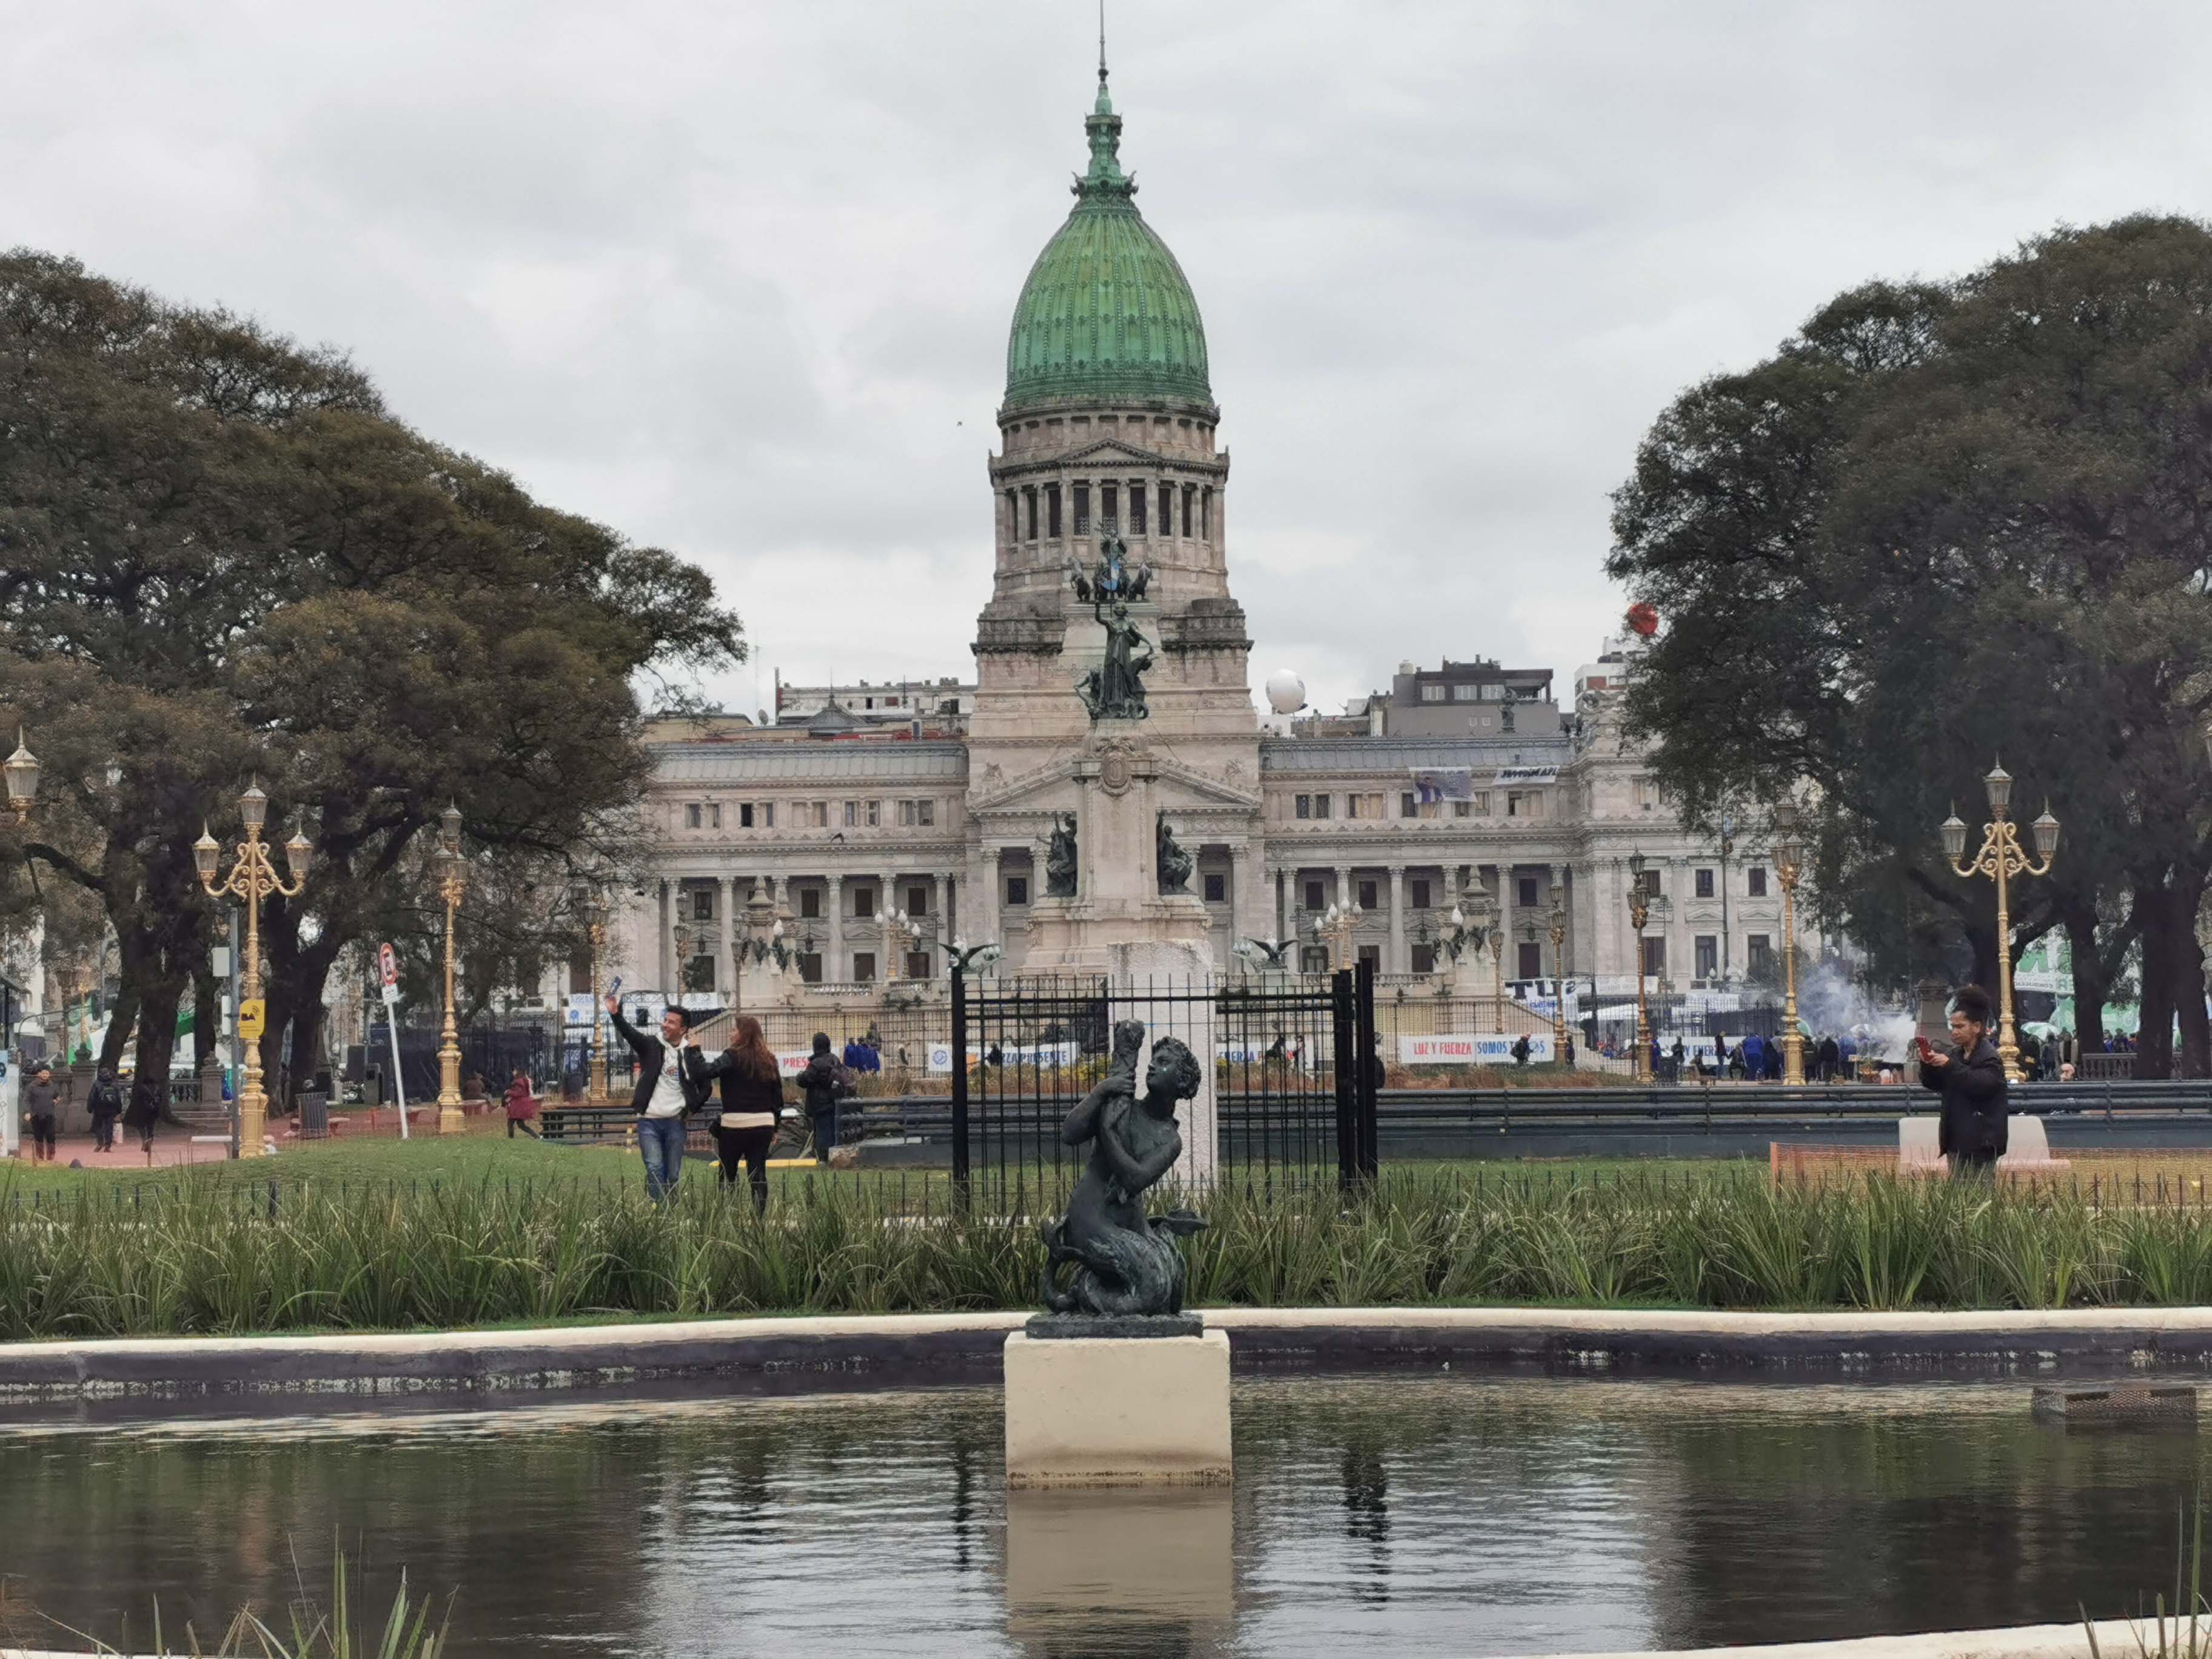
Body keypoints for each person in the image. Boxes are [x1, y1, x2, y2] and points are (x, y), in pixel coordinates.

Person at [605, 994, 709, 1202]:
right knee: (654, 1167)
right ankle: (657, 1212)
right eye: (666, 1020)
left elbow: (705, 1087)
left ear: (683, 1029)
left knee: (672, 1174)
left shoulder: (690, 1054)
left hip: (675, 1122)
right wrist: (615, 1014)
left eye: (672, 1022)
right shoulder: (651, 1045)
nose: (665, 1025)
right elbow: (630, 1034)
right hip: (649, 1120)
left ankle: (669, 1211)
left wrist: (690, 1110)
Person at [1919, 983, 2006, 1179]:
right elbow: (1935, 1084)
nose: (1954, 1032)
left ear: (1976, 1027)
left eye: (1960, 1026)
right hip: (1957, 1141)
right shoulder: (1955, 1055)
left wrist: (1950, 1066)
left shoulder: (1990, 1057)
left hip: (1982, 1143)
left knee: (1980, 1201)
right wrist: (1927, 1065)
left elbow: (1982, 1086)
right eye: (1953, 1027)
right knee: (1958, 1200)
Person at [702, 1015, 786, 1212]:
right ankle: (759, 1216)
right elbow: (778, 1098)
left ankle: (729, 1212)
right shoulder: (769, 1060)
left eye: (734, 1030)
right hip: (763, 1124)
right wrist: (774, 1125)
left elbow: (709, 1071)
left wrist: (696, 1051)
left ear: (743, 1034)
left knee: (728, 1171)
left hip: (734, 1124)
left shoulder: (731, 1056)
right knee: (758, 1173)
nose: (730, 1034)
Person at [799, 1032, 842, 1162]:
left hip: (819, 1103)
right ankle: (833, 1157)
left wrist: (800, 1077)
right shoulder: (835, 1059)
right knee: (832, 1131)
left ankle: (823, 1159)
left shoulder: (815, 1064)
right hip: (833, 1101)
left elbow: (804, 1080)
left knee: (822, 1133)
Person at [122, 1073, 163, 1165]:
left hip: (143, 1110)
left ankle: (145, 1139)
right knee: (151, 1126)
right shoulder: (157, 1088)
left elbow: (136, 1099)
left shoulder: (141, 1088)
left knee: (141, 1126)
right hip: (154, 1110)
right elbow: (161, 1099)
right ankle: (149, 1138)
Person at [23, 1064, 57, 1165]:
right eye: (43, 1073)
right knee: (38, 1136)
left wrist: (56, 1100)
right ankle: (40, 1157)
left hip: (49, 1114)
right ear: (39, 1074)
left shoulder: (53, 1086)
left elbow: (58, 1095)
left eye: (47, 1073)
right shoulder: (32, 1086)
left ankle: (51, 1157)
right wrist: (27, 1112)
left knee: (51, 1136)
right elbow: (27, 1100)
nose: (45, 1075)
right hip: (36, 1114)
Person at [504, 1073, 539, 1138]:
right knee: (521, 1125)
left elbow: (519, 1093)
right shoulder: (523, 1081)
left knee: (511, 1123)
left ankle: (511, 1138)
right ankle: (535, 1136)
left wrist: (509, 1092)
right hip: (520, 1106)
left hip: (517, 1107)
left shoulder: (519, 1082)